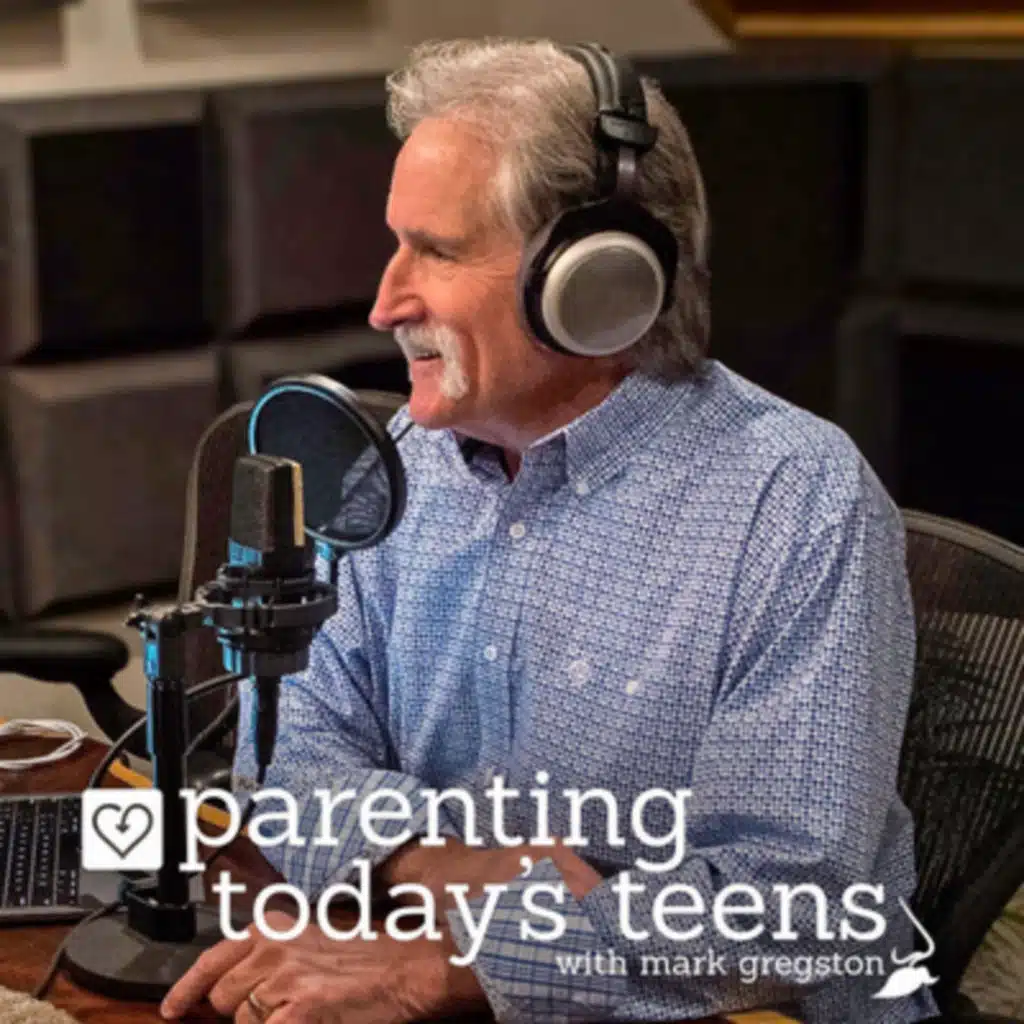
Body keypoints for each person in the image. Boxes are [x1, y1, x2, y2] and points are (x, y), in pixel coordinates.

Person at [161, 38, 936, 1024]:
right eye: (397, 245)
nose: (386, 302)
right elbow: (285, 761)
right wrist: (449, 865)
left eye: (437, 251)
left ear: (599, 281)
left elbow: (793, 910)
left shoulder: (795, 500)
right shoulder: (401, 464)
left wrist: (448, 966)